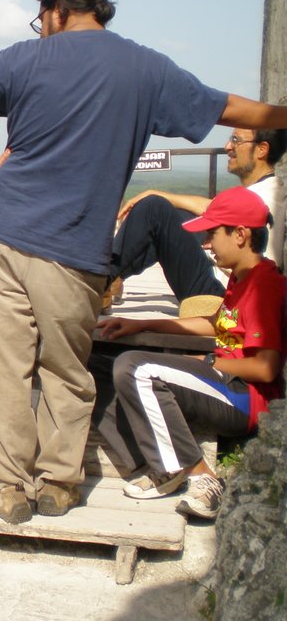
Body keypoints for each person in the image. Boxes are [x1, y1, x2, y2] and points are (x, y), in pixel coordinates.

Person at [0, 0, 287, 524]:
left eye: (41, 21)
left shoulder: (22, 59)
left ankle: (6, 487)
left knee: (1, 367)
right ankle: (57, 484)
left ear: (54, 11)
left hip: (0, 234)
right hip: (73, 246)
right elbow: (231, 111)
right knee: (65, 366)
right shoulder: (144, 67)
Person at [95, 187, 286, 518]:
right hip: (222, 380)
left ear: (240, 235)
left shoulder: (264, 285)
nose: (207, 243)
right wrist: (141, 325)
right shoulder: (241, 279)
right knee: (95, 362)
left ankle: (200, 476)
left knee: (136, 368)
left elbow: (266, 369)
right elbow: (215, 323)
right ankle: (147, 460)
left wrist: (209, 361)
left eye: (213, 233)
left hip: (245, 398)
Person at [106, 127, 285, 308]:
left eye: (236, 140)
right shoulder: (264, 190)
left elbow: (259, 267)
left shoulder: (263, 201)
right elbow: (210, 207)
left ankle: (100, 278)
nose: (228, 146)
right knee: (178, 216)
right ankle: (114, 278)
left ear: (262, 149)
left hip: (223, 295)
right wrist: (158, 193)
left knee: (154, 209)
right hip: (222, 283)